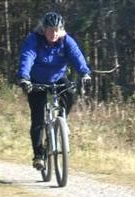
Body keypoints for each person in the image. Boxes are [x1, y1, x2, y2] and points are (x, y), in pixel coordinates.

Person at [17, 12, 91, 170]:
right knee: (37, 118)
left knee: (70, 92)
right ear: (43, 29)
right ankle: (38, 156)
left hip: (57, 78)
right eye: (50, 30)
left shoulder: (66, 41)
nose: (54, 33)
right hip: (36, 80)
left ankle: (61, 121)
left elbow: (76, 56)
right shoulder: (34, 39)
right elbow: (27, 56)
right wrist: (24, 77)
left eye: (57, 30)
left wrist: (85, 73)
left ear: (61, 30)